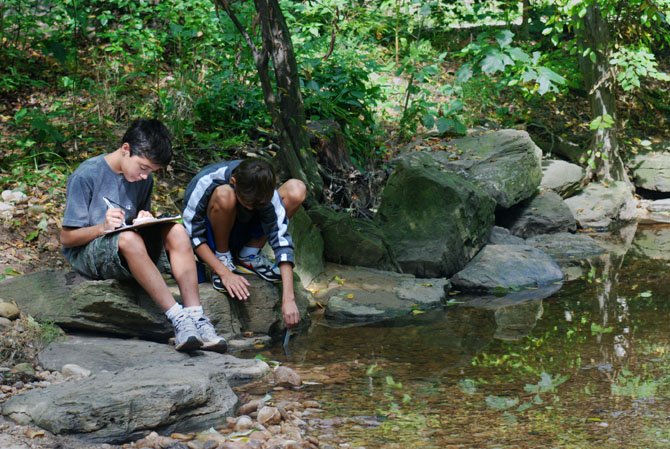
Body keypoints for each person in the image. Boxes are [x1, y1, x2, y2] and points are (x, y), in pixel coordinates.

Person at [60, 118, 227, 353]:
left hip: (125, 246)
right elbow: (66, 239)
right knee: (129, 239)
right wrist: (102, 228)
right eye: (143, 168)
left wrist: (145, 220)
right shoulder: (86, 175)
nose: (145, 176)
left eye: (151, 171)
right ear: (125, 149)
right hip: (88, 252)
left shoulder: (142, 180)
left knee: (177, 231)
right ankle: (178, 318)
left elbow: (132, 223)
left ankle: (196, 317)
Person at [181, 159, 306, 328]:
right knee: (225, 195)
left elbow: (281, 240)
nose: (252, 208)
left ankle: (249, 253)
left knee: (296, 189)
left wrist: (288, 298)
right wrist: (224, 272)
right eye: (248, 204)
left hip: (244, 234)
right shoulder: (207, 180)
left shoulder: (265, 191)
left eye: (259, 205)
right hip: (214, 237)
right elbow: (192, 235)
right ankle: (223, 257)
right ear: (234, 182)